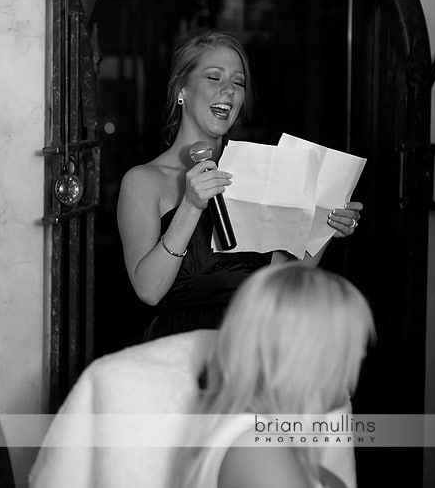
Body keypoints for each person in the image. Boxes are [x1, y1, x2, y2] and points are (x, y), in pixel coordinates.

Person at [117, 30, 363, 339]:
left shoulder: (259, 173)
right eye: (214, 77)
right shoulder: (142, 181)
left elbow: (278, 282)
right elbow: (149, 290)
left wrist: (325, 227)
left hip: (247, 350)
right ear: (182, 90)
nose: (228, 90)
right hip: (178, 351)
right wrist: (191, 206)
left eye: (238, 82)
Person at [176, 262, 375, 488]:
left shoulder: (264, 440)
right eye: (350, 342)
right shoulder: (258, 450)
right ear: (308, 356)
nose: (360, 353)